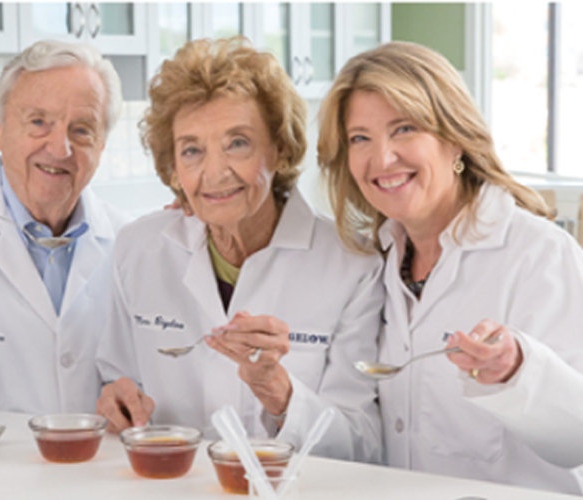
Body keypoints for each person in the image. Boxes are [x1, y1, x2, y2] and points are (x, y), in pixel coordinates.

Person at [95, 37, 383, 463]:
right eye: (192, 150)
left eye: (238, 143)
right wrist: (114, 403)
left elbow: (362, 445)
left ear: (280, 148)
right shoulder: (140, 249)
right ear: (173, 167)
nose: (215, 172)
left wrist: (280, 393)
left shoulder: (352, 265)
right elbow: (114, 380)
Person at [318, 41, 583, 494]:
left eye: (404, 129)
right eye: (360, 138)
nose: (381, 159)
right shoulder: (376, 261)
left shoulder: (539, 256)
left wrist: (518, 371)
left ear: (454, 136)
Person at [0, 40, 131, 414]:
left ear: (102, 144)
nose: (60, 148)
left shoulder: (131, 245)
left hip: (96, 469)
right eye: (38, 122)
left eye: (82, 130)